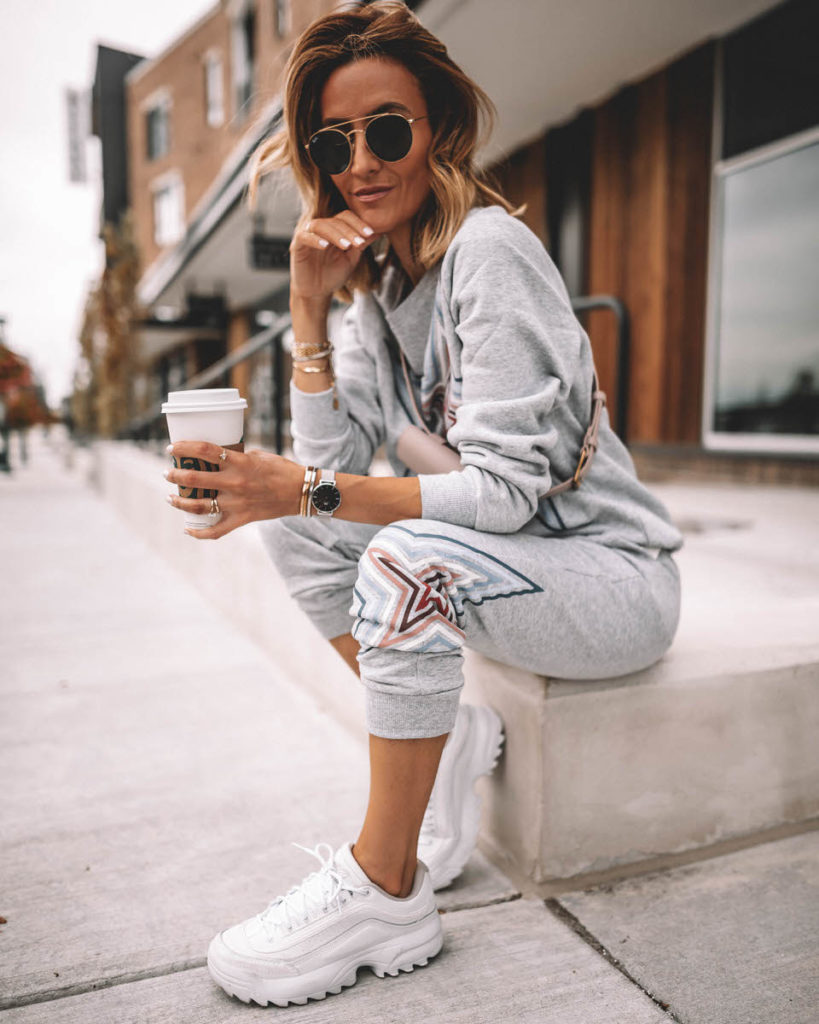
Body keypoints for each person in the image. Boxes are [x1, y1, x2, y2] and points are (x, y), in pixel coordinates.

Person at [164, 0, 682, 1008]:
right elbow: (328, 465)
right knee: (304, 532)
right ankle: (438, 744)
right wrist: (310, 307)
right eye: (333, 140)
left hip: (612, 580)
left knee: (401, 551)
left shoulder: (487, 252)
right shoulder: (375, 298)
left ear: (437, 129)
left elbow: (496, 492)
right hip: (513, 570)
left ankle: (385, 886)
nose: (362, 160)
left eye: (387, 129)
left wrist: (309, 485)